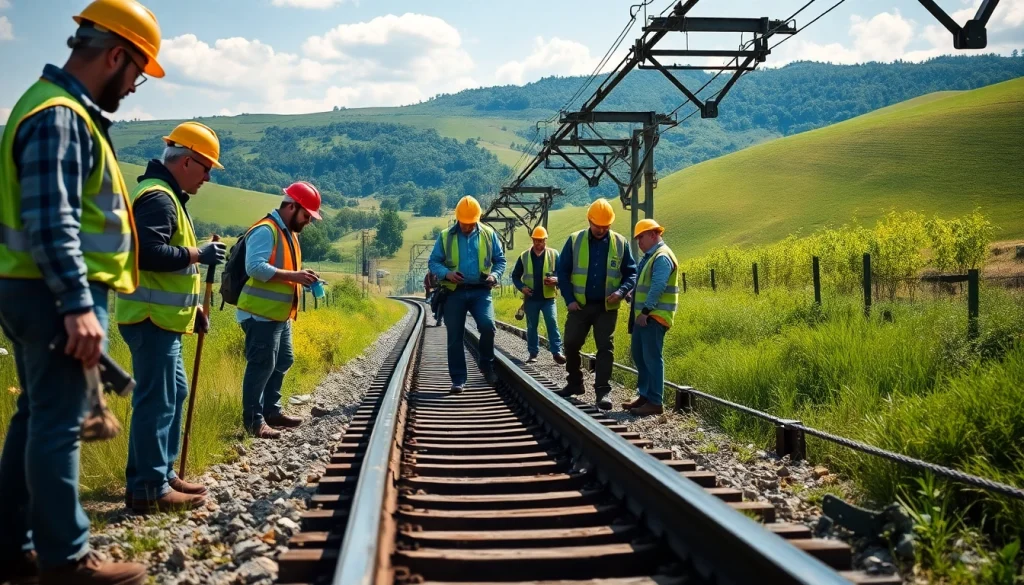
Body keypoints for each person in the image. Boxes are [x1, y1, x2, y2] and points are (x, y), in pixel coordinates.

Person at [0, 0, 164, 582]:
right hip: (53, 293)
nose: (133, 87)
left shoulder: (48, 107)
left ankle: (11, 546)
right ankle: (66, 561)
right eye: (137, 75)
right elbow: (53, 220)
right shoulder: (62, 115)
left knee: (35, 416)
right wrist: (75, 303)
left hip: (31, 288)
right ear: (116, 55)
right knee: (57, 424)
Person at [115, 122, 226, 514]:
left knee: (172, 395)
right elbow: (148, 254)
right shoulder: (159, 198)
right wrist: (199, 254)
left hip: (164, 319)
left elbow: (165, 264)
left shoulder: (167, 196)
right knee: (156, 401)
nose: (209, 176)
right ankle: (147, 488)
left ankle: (161, 474)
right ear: (186, 161)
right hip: (150, 319)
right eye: (206, 167)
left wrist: (192, 307)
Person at [237, 181, 321, 439]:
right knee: (261, 364)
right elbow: (255, 267)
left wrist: (304, 279)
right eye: (306, 215)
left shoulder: (289, 233)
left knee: (283, 360)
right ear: (292, 207)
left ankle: (271, 411)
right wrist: (294, 276)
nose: (308, 221)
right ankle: (253, 421)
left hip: (278, 315)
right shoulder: (266, 230)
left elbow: (284, 271)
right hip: (259, 313)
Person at [555, 199, 637, 411]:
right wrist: (570, 299)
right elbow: (562, 272)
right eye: (597, 225)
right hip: (579, 306)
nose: (601, 229)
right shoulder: (575, 240)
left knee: (605, 348)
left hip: (606, 308)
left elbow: (631, 272)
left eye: (605, 226)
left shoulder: (620, 243)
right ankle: (575, 382)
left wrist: (621, 292)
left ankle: (603, 391)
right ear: (589, 220)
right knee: (571, 343)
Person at [428, 196, 506, 393]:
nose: (467, 227)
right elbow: (434, 262)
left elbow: (500, 261)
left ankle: (486, 364)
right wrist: (447, 273)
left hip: (481, 291)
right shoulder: (445, 236)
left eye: (471, 223)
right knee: (454, 336)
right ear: (458, 219)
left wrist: (495, 276)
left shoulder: (489, 235)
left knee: (488, 327)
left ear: (477, 219)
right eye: (464, 223)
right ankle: (458, 379)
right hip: (454, 292)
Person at [623, 219, 679, 416]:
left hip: (654, 316)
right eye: (638, 238)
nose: (639, 242)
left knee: (652, 358)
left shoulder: (662, 256)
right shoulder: (651, 256)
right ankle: (645, 395)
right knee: (640, 356)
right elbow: (646, 283)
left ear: (654, 235)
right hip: (644, 317)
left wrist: (646, 311)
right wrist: (633, 294)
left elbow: (658, 286)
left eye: (642, 237)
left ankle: (655, 401)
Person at [511, 226, 566, 364]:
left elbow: (563, 274)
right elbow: (515, 276)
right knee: (531, 326)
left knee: (552, 323)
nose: (538, 243)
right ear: (532, 240)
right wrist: (522, 288)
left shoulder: (554, 255)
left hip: (548, 298)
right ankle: (533, 353)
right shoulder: (524, 256)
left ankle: (557, 352)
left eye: (541, 240)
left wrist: (556, 280)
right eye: (536, 240)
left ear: (545, 240)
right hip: (531, 299)